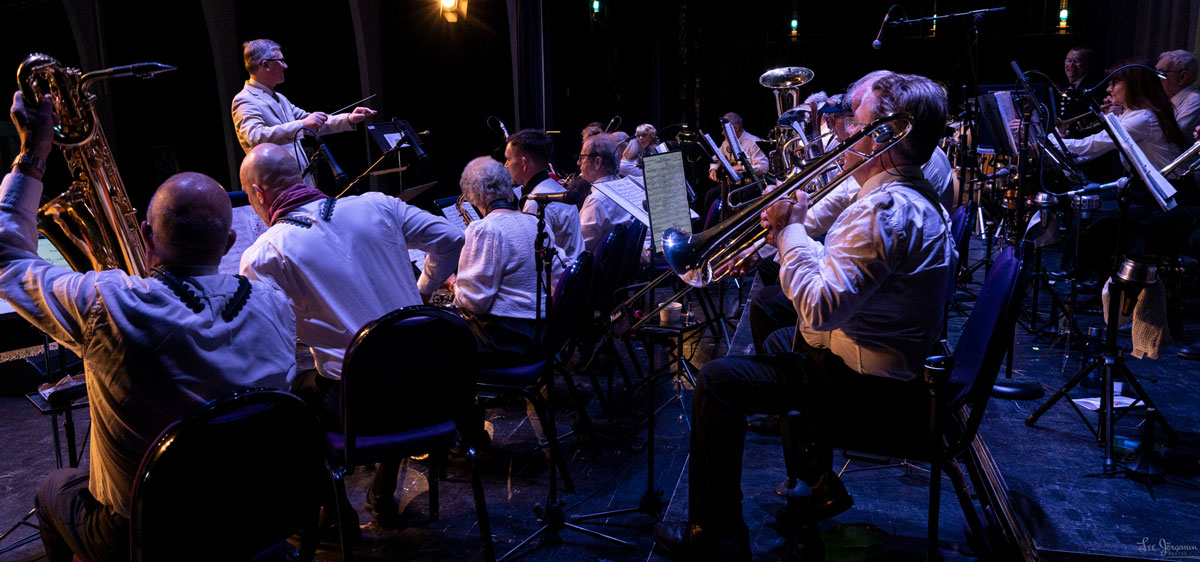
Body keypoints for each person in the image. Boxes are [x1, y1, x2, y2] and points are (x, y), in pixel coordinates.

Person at [652, 73, 956, 561]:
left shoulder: (883, 210)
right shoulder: (903, 198)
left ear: (884, 135)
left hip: (870, 390)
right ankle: (814, 477)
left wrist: (789, 232)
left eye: (853, 128)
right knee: (780, 342)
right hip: (890, 368)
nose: (842, 140)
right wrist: (782, 241)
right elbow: (840, 271)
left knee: (719, 379)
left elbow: (818, 305)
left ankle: (717, 536)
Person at [1, 93, 297, 562]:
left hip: (152, 536)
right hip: (258, 515)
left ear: (144, 234)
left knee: (53, 488)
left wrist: (33, 152)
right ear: (229, 240)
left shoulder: (107, 303)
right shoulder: (275, 304)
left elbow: (8, 258)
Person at [238, 142, 463, 527]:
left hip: (362, 411)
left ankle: (335, 515)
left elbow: (267, 342)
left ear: (258, 194)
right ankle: (383, 486)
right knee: (382, 363)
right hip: (432, 390)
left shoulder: (264, 254)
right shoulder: (377, 204)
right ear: (301, 177)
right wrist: (422, 291)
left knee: (286, 405)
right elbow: (453, 239)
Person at [232, 39, 376, 189]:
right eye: (280, 61)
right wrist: (302, 124)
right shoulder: (244, 99)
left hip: (300, 181)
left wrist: (349, 118)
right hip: (276, 186)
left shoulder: (280, 98)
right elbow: (254, 136)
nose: (285, 66)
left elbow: (311, 122)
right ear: (266, 64)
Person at [454, 156, 544, 366]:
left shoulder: (485, 229)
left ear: (472, 195)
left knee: (434, 340)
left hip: (507, 341)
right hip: (543, 333)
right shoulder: (536, 222)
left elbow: (475, 302)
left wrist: (451, 283)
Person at [505, 129, 584, 286]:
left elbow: (531, 262)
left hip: (558, 287)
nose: (505, 165)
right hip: (574, 279)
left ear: (524, 163)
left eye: (508, 159)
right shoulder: (556, 188)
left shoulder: (537, 202)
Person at [579, 133, 635, 253]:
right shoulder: (626, 188)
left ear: (597, 162)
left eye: (582, 158)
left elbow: (580, 248)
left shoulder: (597, 200)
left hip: (596, 270)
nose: (579, 163)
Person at [1157, 49, 1200, 135]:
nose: (1156, 79)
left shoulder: (1195, 100)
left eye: (1161, 73)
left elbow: (1170, 137)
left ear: (1182, 77)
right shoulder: (1166, 100)